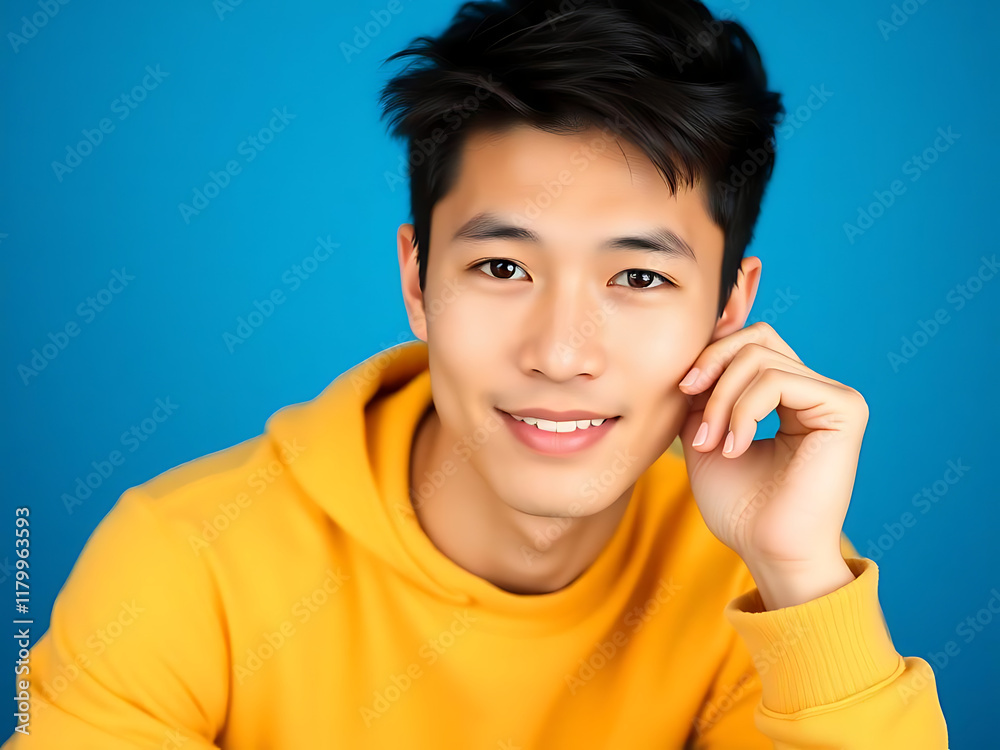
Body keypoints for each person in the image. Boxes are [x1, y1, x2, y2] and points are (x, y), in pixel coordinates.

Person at [5, 0, 949, 747]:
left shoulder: (750, 588)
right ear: (416, 281)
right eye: (503, 268)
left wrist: (799, 578)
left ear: (730, 310)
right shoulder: (183, 561)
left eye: (639, 276)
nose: (561, 352)